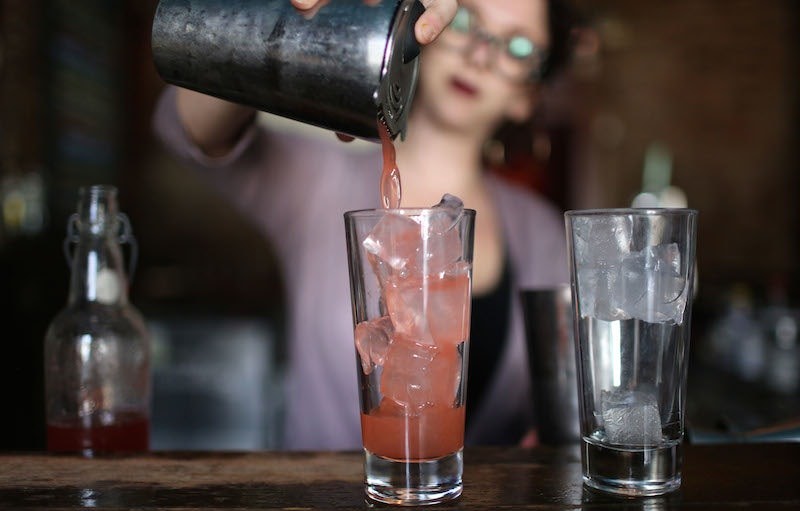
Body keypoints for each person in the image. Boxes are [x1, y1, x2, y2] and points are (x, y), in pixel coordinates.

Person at [153, 0, 576, 450]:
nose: (480, 53)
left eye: (516, 46)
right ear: (424, 26)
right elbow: (186, 129)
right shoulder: (315, 180)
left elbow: (558, 407)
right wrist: (285, 17)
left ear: (526, 95)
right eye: (468, 20)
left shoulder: (546, 237)